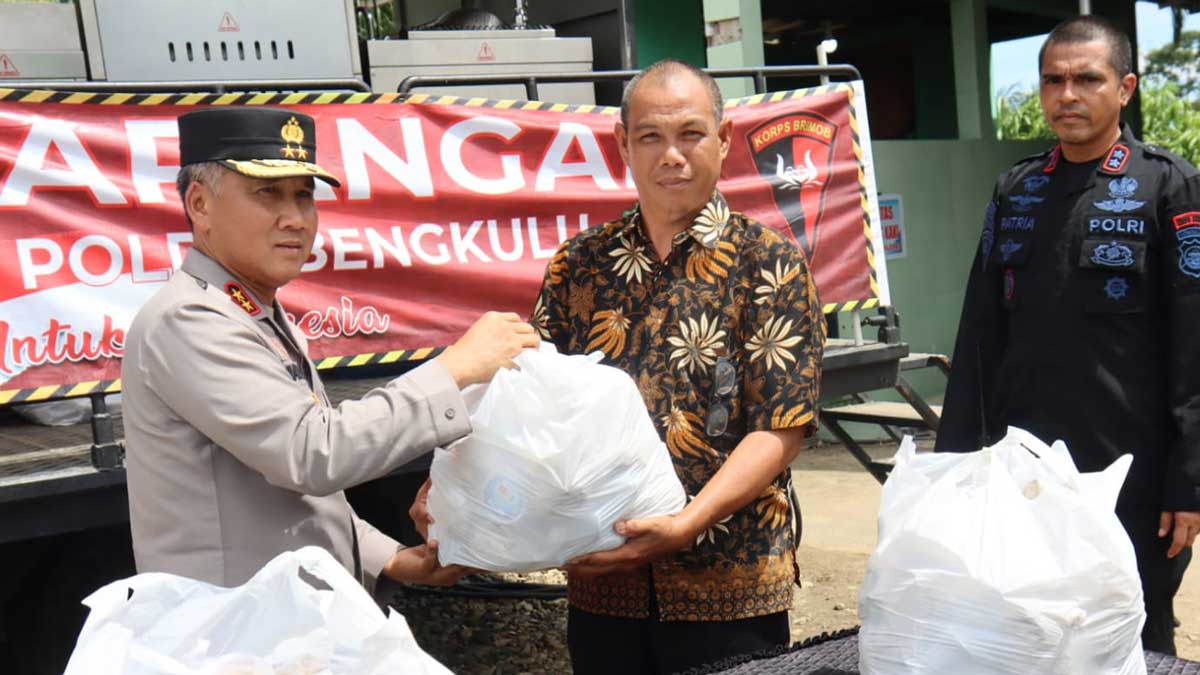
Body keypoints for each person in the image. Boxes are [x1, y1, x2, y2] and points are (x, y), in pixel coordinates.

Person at [121, 107, 539, 591]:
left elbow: (300, 498)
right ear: (200, 204)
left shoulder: (250, 311)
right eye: (267, 194)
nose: (295, 219)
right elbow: (312, 454)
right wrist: (453, 370)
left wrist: (392, 559)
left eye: (304, 197)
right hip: (237, 637)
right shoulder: (189, 320)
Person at [532, 60, 825, 673]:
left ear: (723, 140)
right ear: (622, 145)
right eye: (650, 137)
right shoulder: (578, 266)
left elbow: (781, 426)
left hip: (731, 585)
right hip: (604, 582)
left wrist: (688, 523)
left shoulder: (767, 264)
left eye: (691, 134)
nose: (672, 155)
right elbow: (535, 407)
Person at [936, 15, 1200, 655]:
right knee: (1028, 634)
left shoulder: (1166, 185)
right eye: (1053, 80)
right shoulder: (1016, 188)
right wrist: (956, 466)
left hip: (1131, 478)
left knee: (1133, 639)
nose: (1068, 95)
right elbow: (979, 335)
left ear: (1125, 88)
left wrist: (1187, 481)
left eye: (1088, 79)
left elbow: (1195, 345)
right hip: (1023, 473)